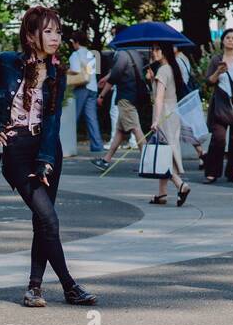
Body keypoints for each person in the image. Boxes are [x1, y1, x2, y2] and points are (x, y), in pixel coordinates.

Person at [0, 6, 97, 308]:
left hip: (46, 150)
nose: (56, 37)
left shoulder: (56, 72)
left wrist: (47, 160)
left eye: (58, 31)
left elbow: (53, 119)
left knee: (42, 222)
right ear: (31, 35)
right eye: (48, 31)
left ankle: (34, 288)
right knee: (49, 219)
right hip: (17, 150)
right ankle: (70, 286)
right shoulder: (6, 62)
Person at [91, 28, 150, 172]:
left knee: (136, 129)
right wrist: (106, 78)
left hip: (125, 97)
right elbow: (117, 73)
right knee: (120, 131)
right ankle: (106, 160)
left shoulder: (122, 54)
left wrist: (101, 96)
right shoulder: (135, 53)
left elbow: (114, 77)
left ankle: (148, 162)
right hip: (133, 96)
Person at [146, 42, 193, 206]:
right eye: (153, 49)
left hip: (164, 113)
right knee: (165, 152)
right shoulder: (171, 68)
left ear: (165, 51)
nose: (154, 52)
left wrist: (156, 120)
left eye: (158, 49)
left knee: (162, 153)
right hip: (172, 113)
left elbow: (159, 98)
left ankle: (180, 184)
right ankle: (162, 194)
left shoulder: (163, 70)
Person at [203, 28, 233, 183]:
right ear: (223, 41)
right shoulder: (215, 60)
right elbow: (209, 82)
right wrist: (218, 71)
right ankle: (212, 173)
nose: (230, 40)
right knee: (218, 139)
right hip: (220, 104)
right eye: (228, 37)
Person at [67, 30, 104, 152]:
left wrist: (65, 71)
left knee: (73, 117)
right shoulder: (90, 53)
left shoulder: (76, 55)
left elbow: (76, 70)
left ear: (76, 42)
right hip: (92, 87)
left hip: (81, 87)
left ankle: (68, 144)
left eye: (72, 41)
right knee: (92, 118)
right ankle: (97, 146)